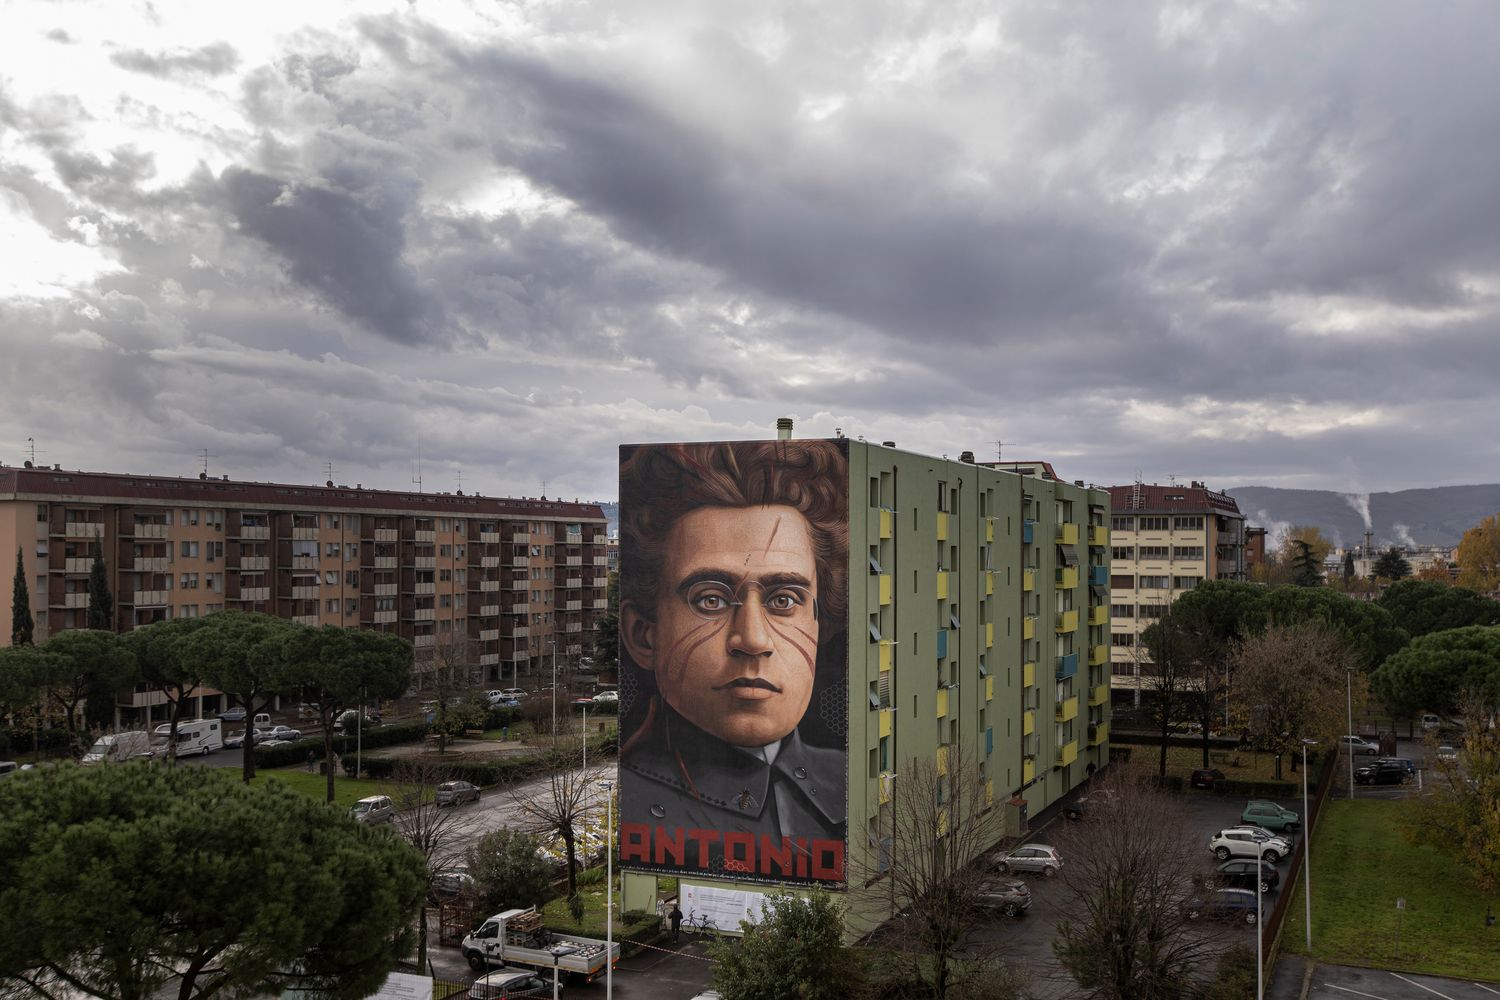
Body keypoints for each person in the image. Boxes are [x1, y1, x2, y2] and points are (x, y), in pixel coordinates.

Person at [617, 440, 849, 884]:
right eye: (710, 599)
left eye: (784, 599)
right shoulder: (641, 799)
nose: (753, 640)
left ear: (820, 624)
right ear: (644, 634)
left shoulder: (847, 778)